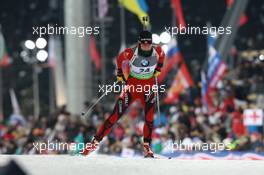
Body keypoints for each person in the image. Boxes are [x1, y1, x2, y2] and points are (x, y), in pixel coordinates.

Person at [82, 30, 165, 157]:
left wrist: (158, 68)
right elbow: (120, 58)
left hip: (148, 88)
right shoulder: (131, 52)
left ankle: (147, 148)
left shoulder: (157, 51)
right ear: (139, 42)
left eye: (149, 43)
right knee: (114, 116)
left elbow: (162, 56)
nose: (146, 45)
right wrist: (120, 73)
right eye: (144, 43)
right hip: (131, 88)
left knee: (149, 119)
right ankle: (94, 143)